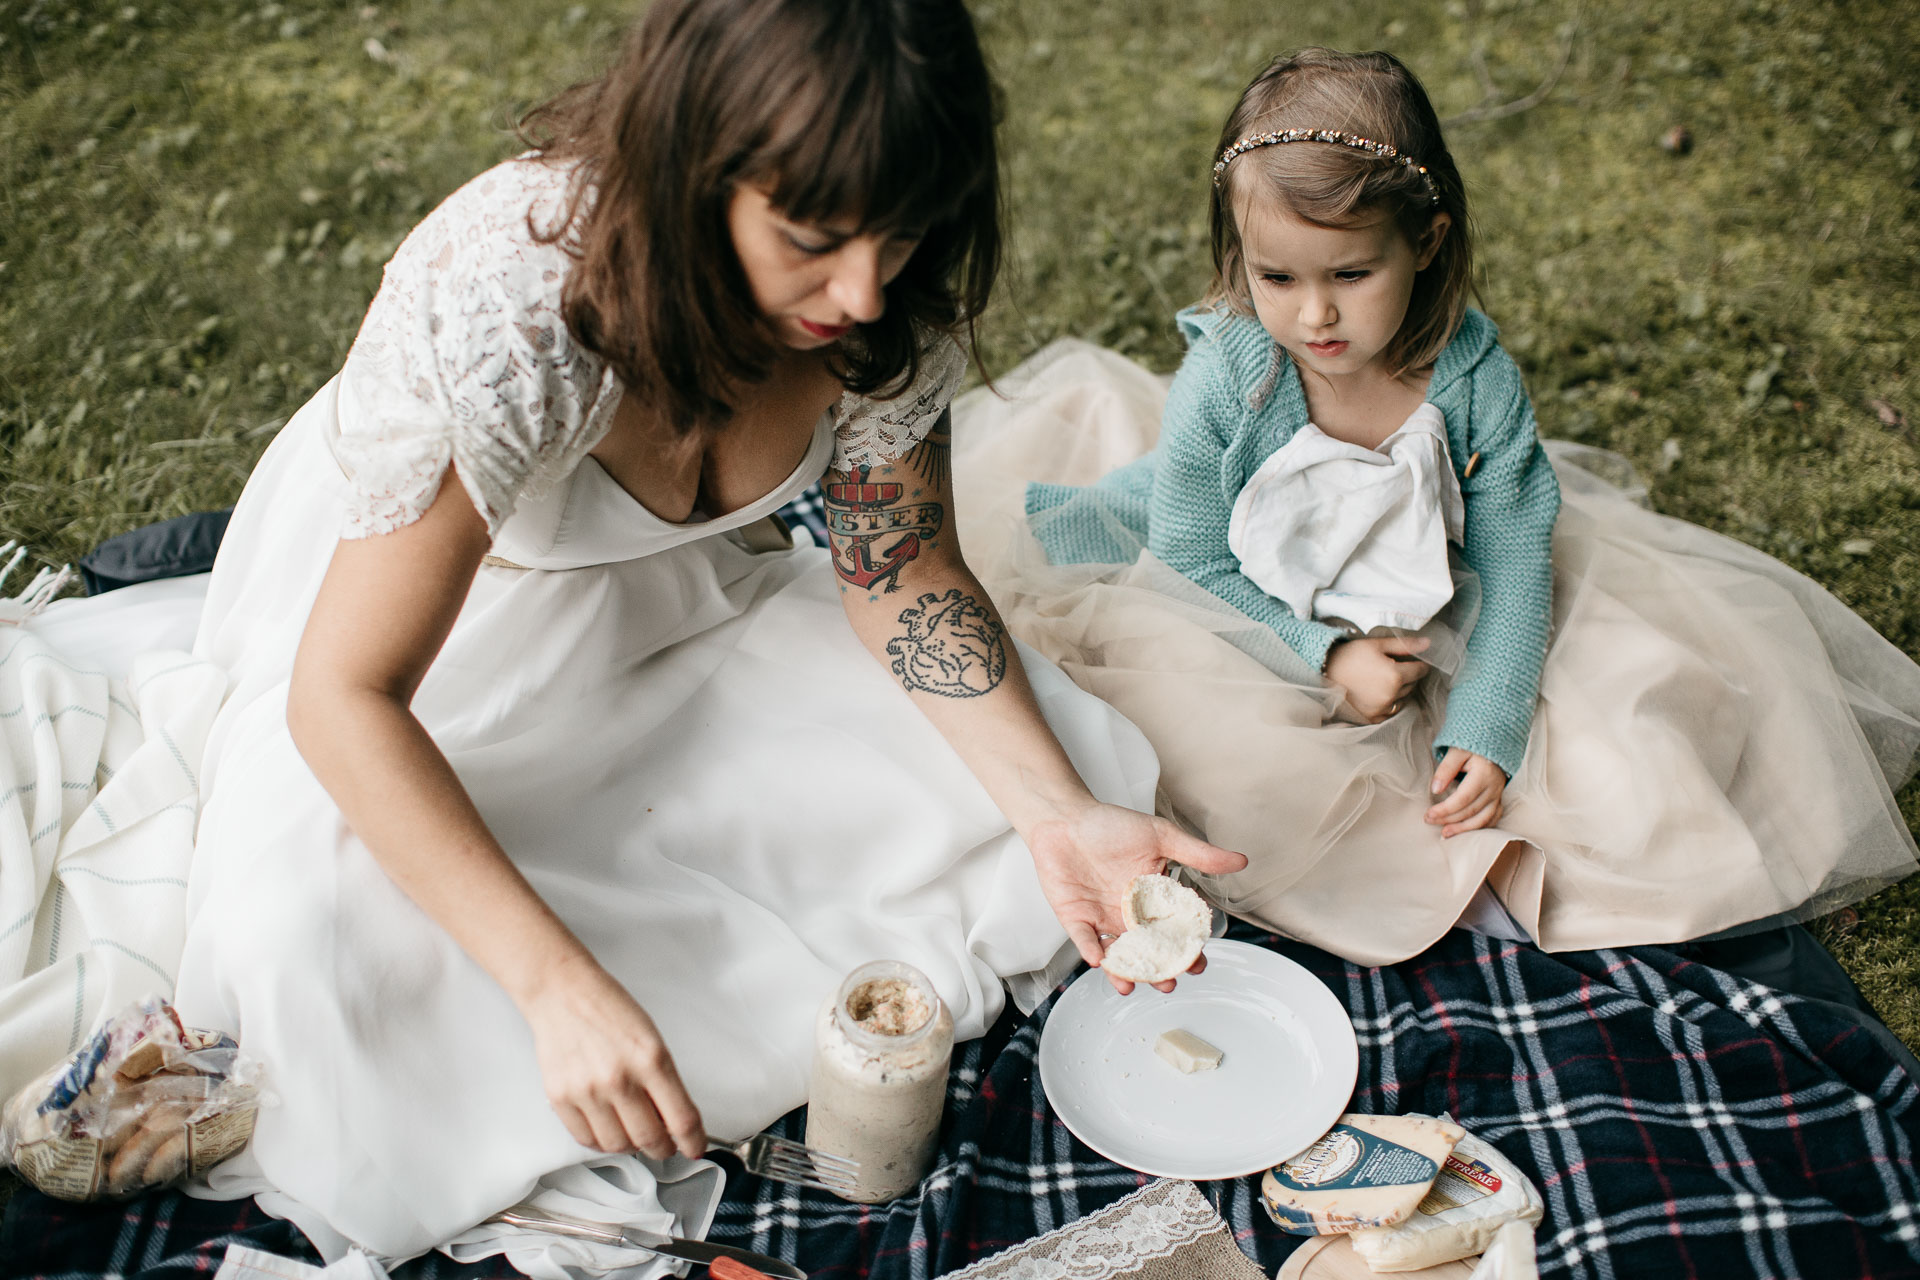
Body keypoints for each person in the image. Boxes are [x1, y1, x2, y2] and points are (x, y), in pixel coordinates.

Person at [153, 0, 1242, 1263]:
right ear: (693, 168)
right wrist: (556, 984)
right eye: (813, 239)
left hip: (675, 610)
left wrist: (1054, 811)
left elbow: (897, 571)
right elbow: (345, 695)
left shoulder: (883, 302)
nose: (862, 290)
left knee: (1080, 777)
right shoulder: (509, 303)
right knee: (320, 947)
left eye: (899, 237)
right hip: (430, 646)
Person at [951, 47, 1920, 967]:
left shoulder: (1473, 379)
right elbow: (1189, 557)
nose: (1314, 316)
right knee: (1217, 764)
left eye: (1351, 275)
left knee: (1636, 731)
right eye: (1275, 276)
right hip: (1230, 591)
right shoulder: (1232, 375)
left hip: (1423, 576)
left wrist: (1489, 725)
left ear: (1426, 239)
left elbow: (1510, 561)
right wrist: (1323, 653)